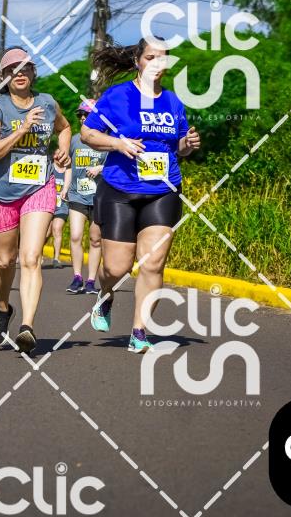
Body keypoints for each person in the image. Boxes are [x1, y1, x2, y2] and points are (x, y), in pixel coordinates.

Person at [80, 38, 201, 353]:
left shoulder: (173, 101)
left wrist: (188, 145)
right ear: (137, 60)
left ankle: (139, 331)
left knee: (153, 263)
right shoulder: (118, 96)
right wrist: (117, 144)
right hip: (120, 189)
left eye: (162, 59)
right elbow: (88, 133)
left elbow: (179, 148)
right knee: (117, 268)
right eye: (150, 57)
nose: (157, 65)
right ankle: (105, 294)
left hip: (162, 191)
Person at [0, 47, 71, 354]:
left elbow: (65, 127)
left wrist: (63, 150)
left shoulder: (47, 102)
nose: (18, 74)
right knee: (5, 261)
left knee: (31, 258)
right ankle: (4, 308)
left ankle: (27, 327)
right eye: (11, 70)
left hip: (38, 187)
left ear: (33, 72)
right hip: (1, 192)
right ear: (4, 77)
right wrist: (21, 129)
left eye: (24, 68)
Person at [65, 99, 106, 295]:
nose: (82, 118)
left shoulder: (106, 140)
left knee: (95, 239)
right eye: (80, 115)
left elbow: (116, 166)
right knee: (75, 236)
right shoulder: (74, 140)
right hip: (77, 195)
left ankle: (91, 281)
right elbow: (68, 166)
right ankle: (77, 277)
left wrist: (100, 168)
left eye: (86, 115)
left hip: (99, 197)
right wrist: (65, 187)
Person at [45, 163, 69, 269]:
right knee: (46, 233)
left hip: (62, 206)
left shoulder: (69, 170)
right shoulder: (49, 167)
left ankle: (56, 258)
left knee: (57, 229)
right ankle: (38, 252)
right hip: (48, 205)